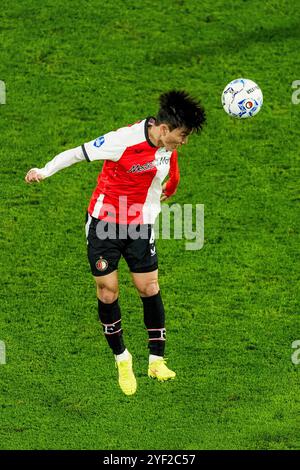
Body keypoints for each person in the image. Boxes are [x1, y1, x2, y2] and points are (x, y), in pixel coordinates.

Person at [25, 90, 206, 396]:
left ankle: (156, 361)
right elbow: (77, 153)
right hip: (104, 224)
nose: (184, 141)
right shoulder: (122, 140)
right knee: (108, 292)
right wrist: (44, 171)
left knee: (149, 287)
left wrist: (170, 188)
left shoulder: (166, 145)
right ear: (165, 129)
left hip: (139, 224)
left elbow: (169, 169)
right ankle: (123, 359)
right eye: (183, 135)